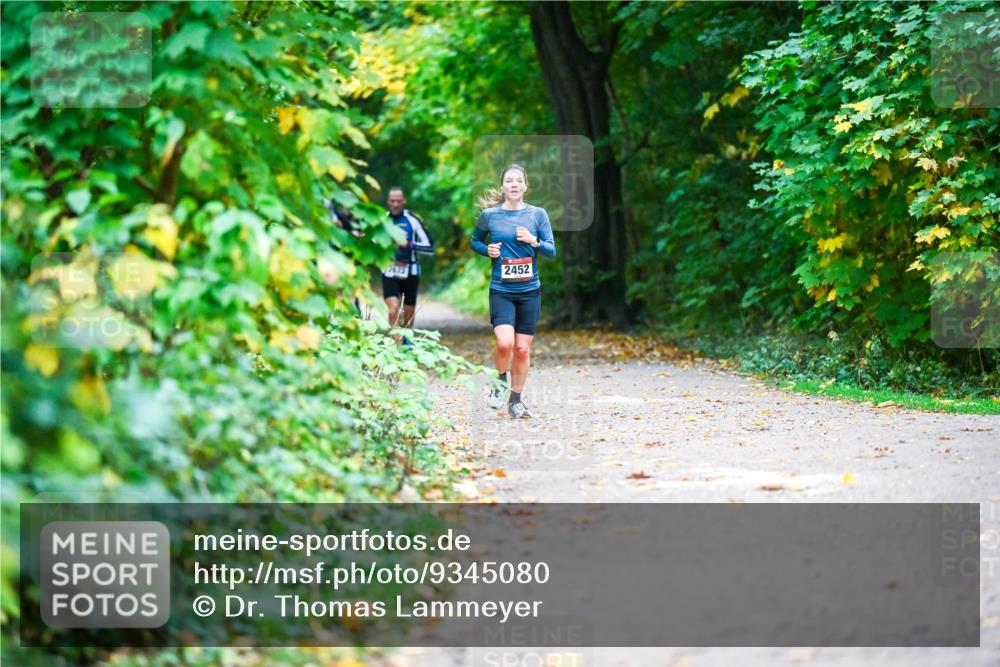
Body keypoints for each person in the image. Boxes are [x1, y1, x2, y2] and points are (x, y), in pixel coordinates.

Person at [471, 164, 556, 418]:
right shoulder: (490, 216)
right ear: (503, 186)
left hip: (530, 291)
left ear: (525, 186)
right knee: (505, 343)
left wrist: (534, 241)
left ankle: (515, 401)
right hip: (501, 290)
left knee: (522, 349)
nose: (514, 184)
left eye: (519, 180)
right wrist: (487, 250)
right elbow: (475, 241)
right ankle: (499, 383)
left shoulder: (538, 215)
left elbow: (551, 251)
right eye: (509, 180)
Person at [382, 187, 434, 330]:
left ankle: (406, 342)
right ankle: (395, 344)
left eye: (399, 201)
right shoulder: (382, 220)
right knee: (393, 307)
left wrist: (410, 244)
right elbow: (373, 244)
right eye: (393, 201)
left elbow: (430, 247)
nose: (396, 204)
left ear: (404, 201)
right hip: (389, 269)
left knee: (408, 311)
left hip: (411, 270)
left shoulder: (412, 220)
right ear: (388, 202)